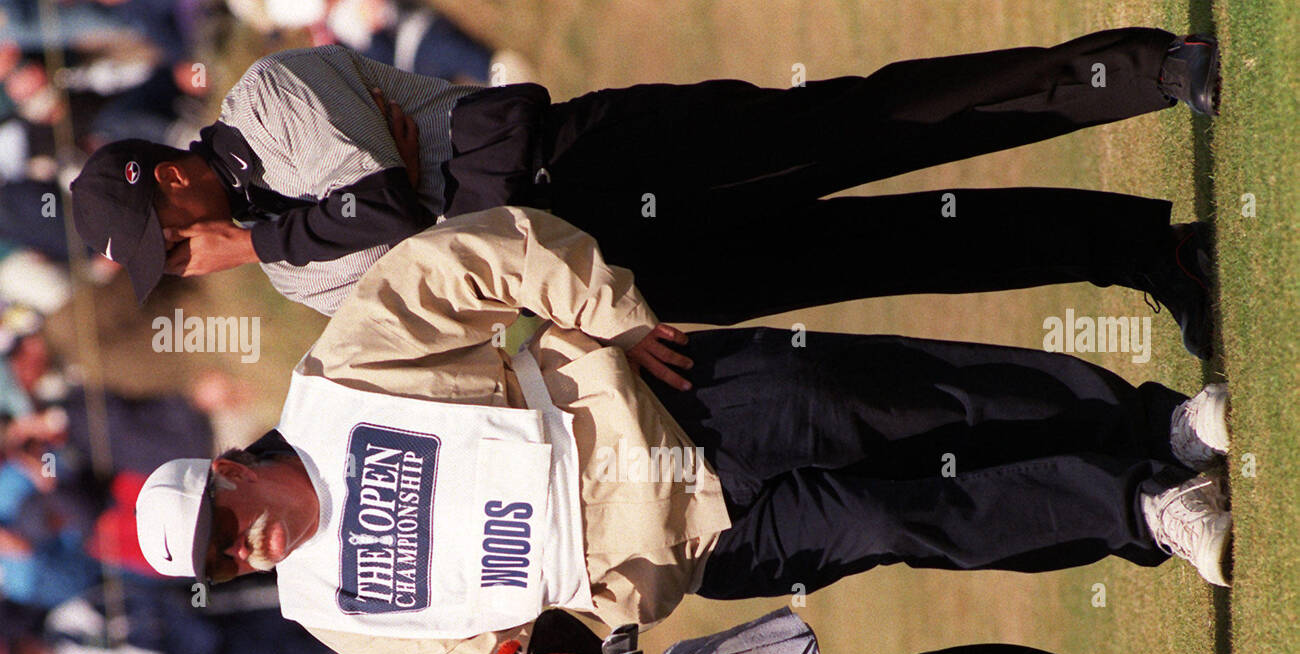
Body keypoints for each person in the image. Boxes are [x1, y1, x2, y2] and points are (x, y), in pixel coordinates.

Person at [133, 207, 1233, 654]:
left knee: (926, 399)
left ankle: (1158, 427)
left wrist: (604, 310)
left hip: (677, 405)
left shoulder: (337, 380)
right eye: (226, 563)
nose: (246, 548)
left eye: (226, 525)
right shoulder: (331, 608)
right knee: (911, 520)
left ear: (229, 468)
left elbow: (463, 258)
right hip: (689, 548)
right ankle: (1148, 510)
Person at [70, 29, 1221, 355]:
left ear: (168, 177)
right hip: (607, 271)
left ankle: (1133, 72)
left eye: (167, 242)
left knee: (867, 125)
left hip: (601, 160)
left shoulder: (270, 96)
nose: (185, 260)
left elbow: (388, 214)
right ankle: (1144, 250)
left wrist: (404, 214)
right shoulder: (284, 261)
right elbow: (436, 297)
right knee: (890, 253)